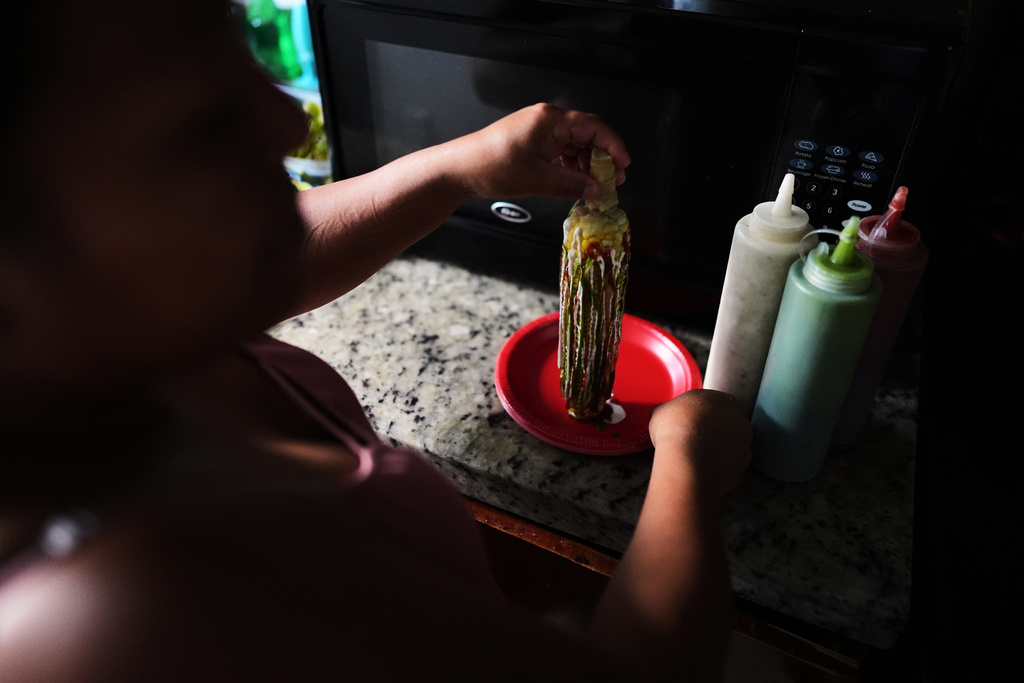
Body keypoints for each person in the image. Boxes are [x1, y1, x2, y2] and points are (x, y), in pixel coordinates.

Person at [0, 1, 752, 681]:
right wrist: (688, 453)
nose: (289, 122)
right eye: (203, 121)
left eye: (235, 44)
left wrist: (462, 164)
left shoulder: (118, 347)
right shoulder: (141, 609)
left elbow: (281, 255)